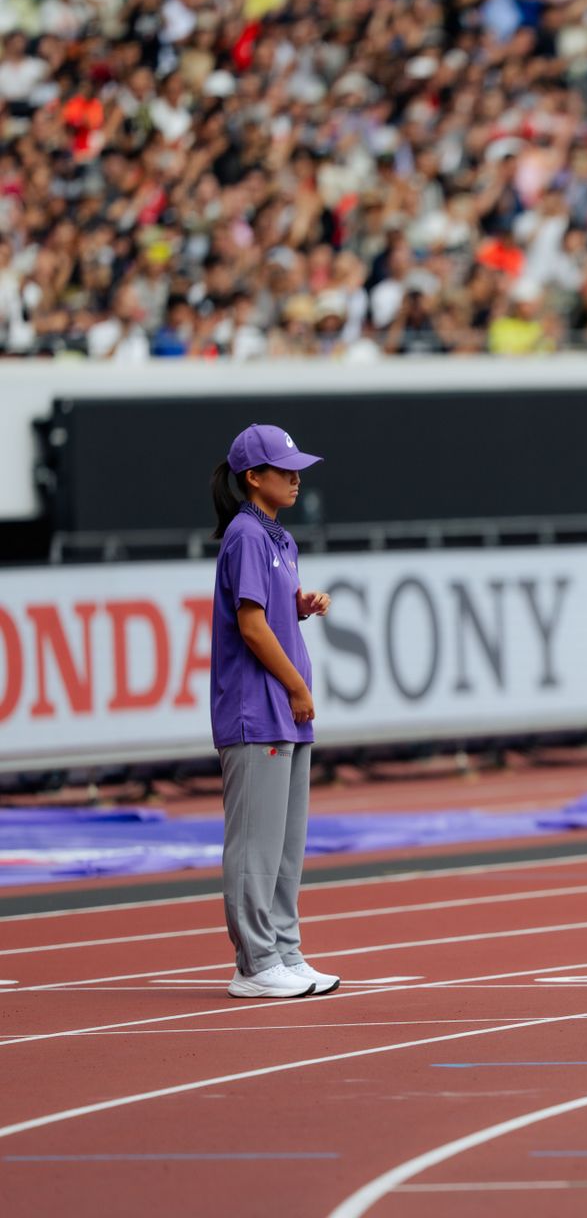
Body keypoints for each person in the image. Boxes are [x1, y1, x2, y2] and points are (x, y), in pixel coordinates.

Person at [208, 424, 340, 1000]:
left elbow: (272, 612)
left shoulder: (278, 539)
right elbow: (251, 626)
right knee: (256, 841)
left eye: (296, 468)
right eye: (284, 470)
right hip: (256, 709)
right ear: (252, 478)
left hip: (284, 712)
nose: (296, 477)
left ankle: (284, 949)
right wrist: (297, 687)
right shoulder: (244, 535)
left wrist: (300, 607)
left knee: (286, 842)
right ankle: (255, 960)